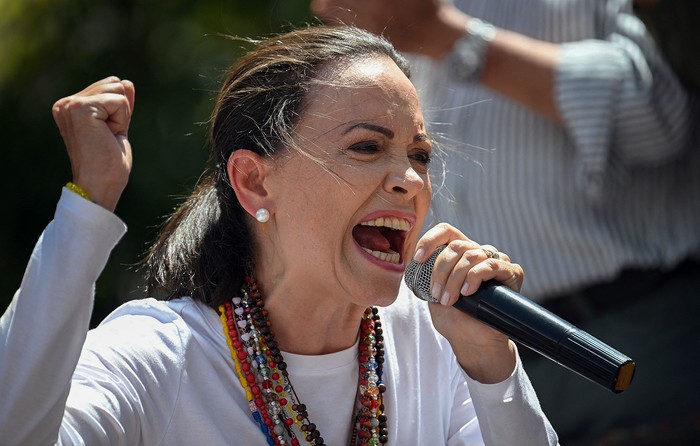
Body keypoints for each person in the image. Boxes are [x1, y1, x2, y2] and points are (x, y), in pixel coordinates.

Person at [0, 26, 559, 445]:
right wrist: (87, 211)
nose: (410, 180)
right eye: (366, 147)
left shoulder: (438, 342)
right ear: (253, 180)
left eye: (419, 155)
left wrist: (492, 364)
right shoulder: (158, 357)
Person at [311, 0, 700, 444]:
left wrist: (449, 36)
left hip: (630, 334)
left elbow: (661, 121)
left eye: (420, 155)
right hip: (466, 356)